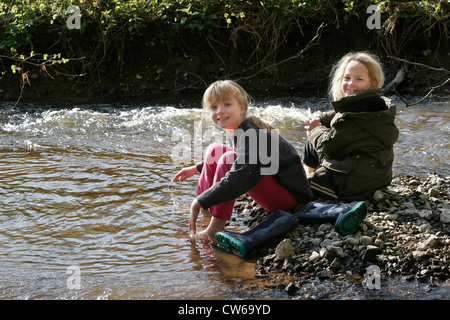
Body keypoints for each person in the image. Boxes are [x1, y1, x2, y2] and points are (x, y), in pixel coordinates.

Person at [172, 80, 314, 243]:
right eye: (213, 107)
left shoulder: (251, 135)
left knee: (227, 159)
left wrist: (199, 201)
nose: (220, 111)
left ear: (242, 108)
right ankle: (207, 210)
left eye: (227, 104)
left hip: (291, 200)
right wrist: (197, 168)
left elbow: (239, 175)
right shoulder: (239, 130)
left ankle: (215, 227)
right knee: (215, 150)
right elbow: (241, 160)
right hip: (274, 187)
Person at [302, 51, 399, 201]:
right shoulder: (379, 106)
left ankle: (313, 186)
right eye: (347, 78)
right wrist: (320, 119)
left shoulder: (354, 116)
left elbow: (327, 145)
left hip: (352, 186)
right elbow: (340, 114)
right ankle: (313, 179)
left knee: (312, 146)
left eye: (359, 79)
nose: (350, 83)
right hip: (380, 178)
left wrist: (315, 129)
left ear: (373, 83)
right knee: (313, 143)